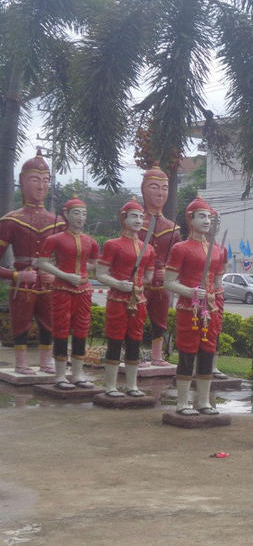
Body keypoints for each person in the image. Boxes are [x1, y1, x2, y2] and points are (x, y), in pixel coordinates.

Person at [0, 150, 65, 374]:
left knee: (50, 323)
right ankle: (21, 362)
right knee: (21, 322)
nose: (41, 186)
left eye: (45, 180)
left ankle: (46, 362)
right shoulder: (11, 221)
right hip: (23, 283)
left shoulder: (57, 222)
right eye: (34, 179)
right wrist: (16, 275)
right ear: (22, 181)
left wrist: (55, 274)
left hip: (48, 284)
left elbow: (69, 262)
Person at [164, 196, 226, 416]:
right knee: (187, 354)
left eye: (209, 217)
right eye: (202, 216)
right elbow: (168, 282)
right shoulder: (180, 248)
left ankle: (203, 401)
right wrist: (190, 292)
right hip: (188, 309)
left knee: (207, 354)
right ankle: (182, 402)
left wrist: (216, 297)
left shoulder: (217, 250)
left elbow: (218, 281)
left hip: (210, 310)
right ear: (190, 219)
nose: (207, 221)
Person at [36, 195, 100, 389]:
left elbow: (95, 264)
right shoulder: (54, 239)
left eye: (84, 214)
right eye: (76, 213)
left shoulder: (91, 241)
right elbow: (42, 263)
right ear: (66, 214)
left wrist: (82, 272)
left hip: (83, 289)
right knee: (61, 329)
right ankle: (60, 375)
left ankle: (78, 373)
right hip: (61, 289)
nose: (81, 217)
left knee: (82, 329)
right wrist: (63, 274)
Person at [95, 198, 156, 397]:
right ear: (124, 218)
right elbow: (100, 273)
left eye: (141, 217)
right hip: (118, 300)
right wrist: (118, 283)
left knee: (135, 342)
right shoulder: (113, 245)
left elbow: (148, 276)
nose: (139, 220)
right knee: (114, 340)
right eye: (134, 216)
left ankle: (132, 385)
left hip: (138, 301)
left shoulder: (149, 248)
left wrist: (146, 281)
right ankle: (110, 386)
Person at [138, 164, 181, 367]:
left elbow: (176, 258)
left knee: (160, 319)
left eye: (164, 188)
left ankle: (157, 356)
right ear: (143, 189)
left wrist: (169, 272)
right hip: (139, 280)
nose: (160, 193)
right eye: (154, 187)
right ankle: (133, 354)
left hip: (162, 283)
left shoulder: (172, 228)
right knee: (135, 316)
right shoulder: (137, 223)